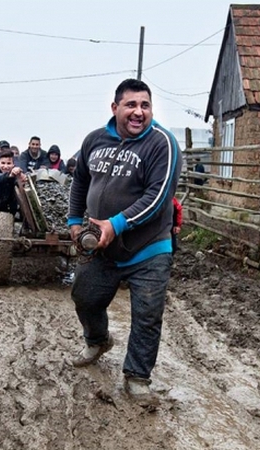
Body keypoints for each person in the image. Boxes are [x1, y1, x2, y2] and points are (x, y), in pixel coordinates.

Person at [67, 78, 182, 400]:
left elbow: (158, 196)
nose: (138, 112)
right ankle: (98, 340)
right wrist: (75, 221)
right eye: (131, 105)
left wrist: (115, 224)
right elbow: (80, 182)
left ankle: (137, 377)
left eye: (145, 105)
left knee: (147, 314)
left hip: (149, 248)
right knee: (85, 297)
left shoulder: (162, 144)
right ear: (115, 108)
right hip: (101, 247)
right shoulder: (94, 140)